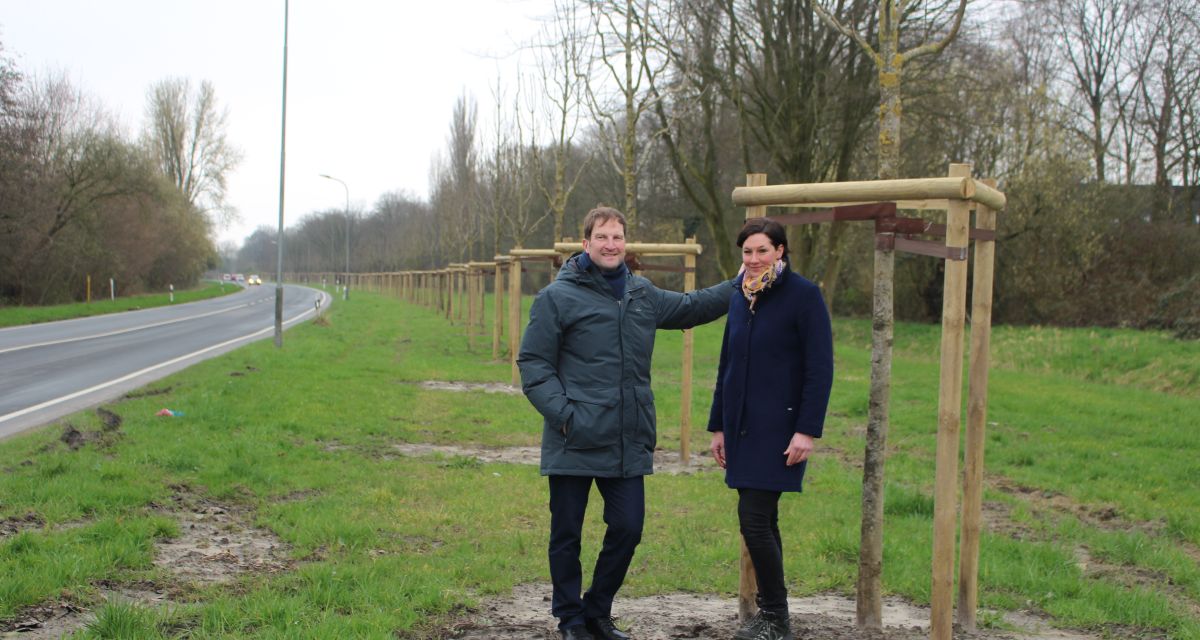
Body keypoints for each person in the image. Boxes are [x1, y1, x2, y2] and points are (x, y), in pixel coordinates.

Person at [519, 206, 734, 640]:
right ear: (586, 243)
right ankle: (570, 620)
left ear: (625, 243)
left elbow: (692, 307)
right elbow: (533, 363)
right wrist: (565, 416)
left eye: (618, 237)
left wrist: (743, 282)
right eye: (602, 237)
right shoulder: (557, 298)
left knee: (628, 527)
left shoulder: (643, 294)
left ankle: (597, 610)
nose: (611, 245)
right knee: (566, 534)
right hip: (574, 438)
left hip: (626, 437)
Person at [707, 217, 834, 640]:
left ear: (781, 250)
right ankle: (774, 615)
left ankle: (775, 618)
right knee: (762, 519)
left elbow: (820, 369)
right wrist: (718, 426)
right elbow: (728, 364)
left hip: (780, 430)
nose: (755, 259)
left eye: (763, 250)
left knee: (754, 520)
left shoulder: (804, 296)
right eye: (747, 251)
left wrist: (807, 430)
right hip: (741, 428)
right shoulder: (741, 296)